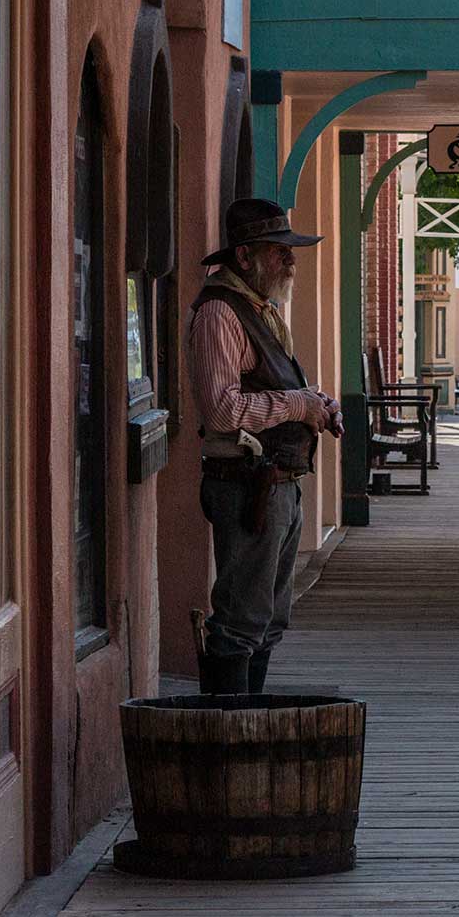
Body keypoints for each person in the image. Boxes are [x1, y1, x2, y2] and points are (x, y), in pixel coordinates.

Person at [187, 197, 342, 695]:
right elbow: (222, 410)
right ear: (246, 257)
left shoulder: (260, 311)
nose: (290, 260)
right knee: (241, 620)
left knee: (269, 616)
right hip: (246, 486)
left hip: (277, 484)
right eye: (279, 251)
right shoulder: (219, 314)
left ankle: (248, 727)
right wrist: (298, 405)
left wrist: (315, 403)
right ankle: (229, 742)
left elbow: (269, 386)